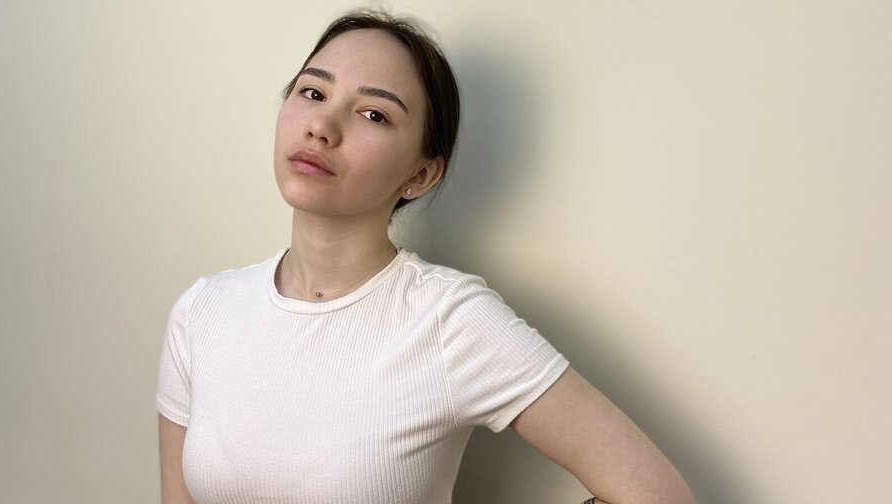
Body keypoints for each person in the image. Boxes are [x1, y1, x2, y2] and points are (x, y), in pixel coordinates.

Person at [157, 10, 695, 504]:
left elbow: (657, 495)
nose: (322, 126)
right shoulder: (203, 311)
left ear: (421, 174)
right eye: (313, 92)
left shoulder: (448, 319)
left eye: (373, 113)